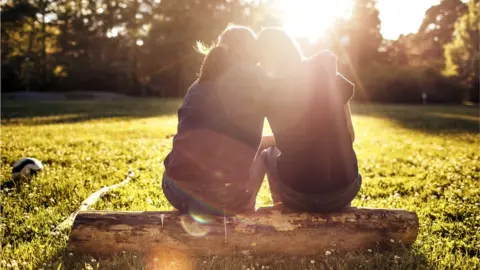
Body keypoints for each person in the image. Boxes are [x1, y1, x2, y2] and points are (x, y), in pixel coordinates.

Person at [251, 28, 361, 212]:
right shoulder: (328, 74)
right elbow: (350, 135)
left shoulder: (267, 88)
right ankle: (338, 208)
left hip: (298, 195)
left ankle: (285, 212)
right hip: (345, 189)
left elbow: (294, 136)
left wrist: (268, 141)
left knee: (270, 153)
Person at [162, 25, 267, 216]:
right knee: (264, 154)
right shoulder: (252, 89)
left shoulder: (200, 83)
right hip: (219, 199)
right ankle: (246, 211)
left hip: (175, 189)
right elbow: (250, 145)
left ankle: (195, 205)